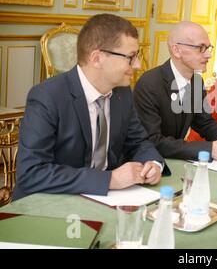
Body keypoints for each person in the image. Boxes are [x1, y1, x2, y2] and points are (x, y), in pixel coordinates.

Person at [13, 14, 165, 201]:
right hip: (48, 203)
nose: (139, 65)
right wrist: (110, 179)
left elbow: (139, 142)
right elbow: (31, 172)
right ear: (97, 58)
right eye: (131, 57)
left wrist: (153, 164)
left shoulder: (122, 93)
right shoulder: (47, 97)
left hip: (105, 201)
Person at [134, 21, 217, 162]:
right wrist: (209, 149)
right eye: (201, 48)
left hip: (177, 158)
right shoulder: (150, 84)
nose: (208, 55)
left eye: (208, 48)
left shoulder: (196, 81)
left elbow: (204, 122)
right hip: (152, 163)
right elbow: (154, 141)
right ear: (177, 50)